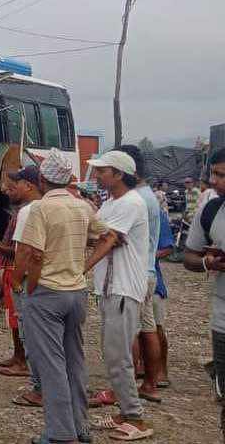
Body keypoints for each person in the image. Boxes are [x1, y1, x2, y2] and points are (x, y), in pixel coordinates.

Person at [13, 149, 109, 444]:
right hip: (76, 293)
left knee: (51, 365)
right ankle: (80, 428)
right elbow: (108, 236)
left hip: (48, 294)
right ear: (67, 178)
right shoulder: (82, 206)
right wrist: (85, 266)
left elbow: (31, 253)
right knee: (75, 362)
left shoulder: (41, 209)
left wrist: (22, 284)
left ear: (41, 179)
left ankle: (60, 434)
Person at [84, 150, 153, 440]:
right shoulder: (112, 203)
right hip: (111, 287)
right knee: (112, 354)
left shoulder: (131, 203)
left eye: (102, 171)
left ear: (119, 174)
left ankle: (135, 418)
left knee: (119, 356)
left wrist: (81, 268)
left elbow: (109, 239)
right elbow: (95, 232)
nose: (97, 175)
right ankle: (125, 412)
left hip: (123, 287)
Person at [116, 145, 164, 403]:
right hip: (148, 271)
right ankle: (150, 384)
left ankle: (127, 388)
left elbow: (116, 238)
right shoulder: (149, 196)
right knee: (148, 329)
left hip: (134, 273)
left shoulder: (135, 199)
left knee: (130, 331)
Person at [183, 148, 225, 438]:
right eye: (214, 173)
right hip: (223, 321)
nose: (214, 181)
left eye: (222, 175)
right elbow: (189, 257)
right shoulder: (210, 211)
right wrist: (208, 262)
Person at [0, 166, 42, 381]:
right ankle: (18, 357)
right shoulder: (21, 211)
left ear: (28, 186)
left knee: (19, 318)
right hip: (13, 270)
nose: (7, 191)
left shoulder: (28, 213)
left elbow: (21, 250)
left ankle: (23, 362)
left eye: (13, 187)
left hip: (16, 270)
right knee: (14, 319)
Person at [151, 202, 175, 389]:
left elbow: (167, 247)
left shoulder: (156, 212)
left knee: (157, 326)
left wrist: (146, 256)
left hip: (153, 280)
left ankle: (161, 370)